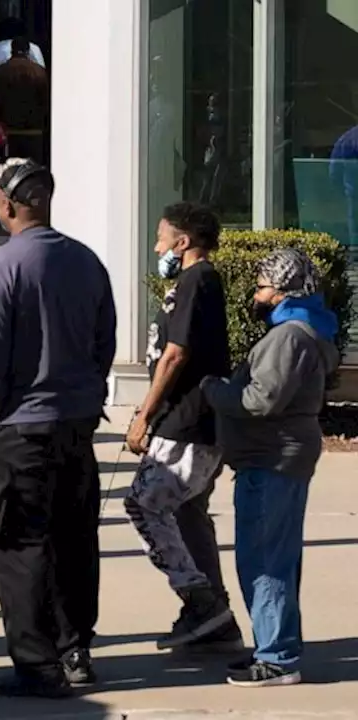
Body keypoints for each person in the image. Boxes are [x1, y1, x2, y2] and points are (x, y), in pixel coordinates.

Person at [0, 158, 116, 698]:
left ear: (6, 206)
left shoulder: (3, 268)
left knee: (20, 547)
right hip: (74, 426)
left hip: (19, 430)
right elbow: (106, 343)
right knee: (74, 542)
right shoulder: (85, 261)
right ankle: (75, 649)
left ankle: (37, 664)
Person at [203, 248, 340, 688]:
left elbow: (260, 400)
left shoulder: (289, 337)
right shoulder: (304, 330)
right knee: (275, 556)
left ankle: (277, 657)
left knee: (264, 561)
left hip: (271, 458)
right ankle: (277, 646)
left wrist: (213, 391)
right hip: (277, 457)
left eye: (263, 287)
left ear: (283, 291)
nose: (258, 295)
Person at [125, 202, 242, 654]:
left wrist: (145, 415)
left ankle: (200, 599)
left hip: (187, 423)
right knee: (187, 512)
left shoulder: (198, 279)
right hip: (182, 419)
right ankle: (216, 616)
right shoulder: (191, 281)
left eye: (161, 237)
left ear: (183, 241)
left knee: (143, 505)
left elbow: (177, 353)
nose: (157, 246)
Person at [0, 37, 49, 164]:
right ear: (28, 51)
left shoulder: (1, 71)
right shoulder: (39, 71)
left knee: (11, 168)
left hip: (10, 129)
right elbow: (45, 99)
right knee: (33, 170)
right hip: (34, 129)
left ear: (12, 50)